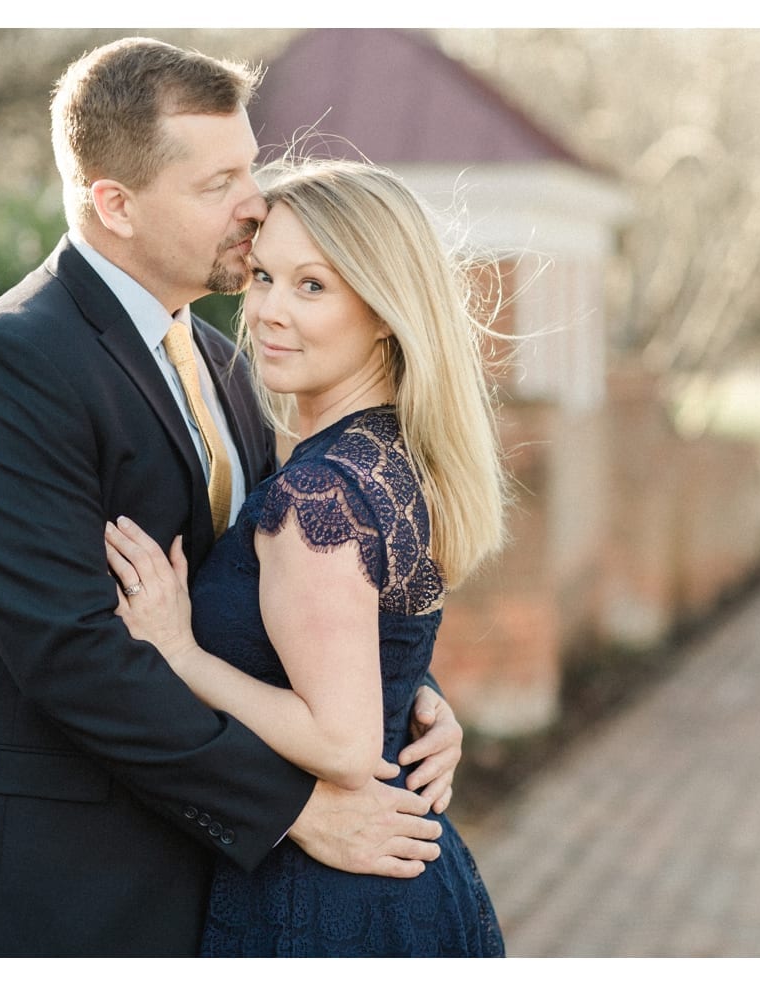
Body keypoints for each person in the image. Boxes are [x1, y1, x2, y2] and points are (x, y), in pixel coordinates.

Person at [0, 37, 465, 958]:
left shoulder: (228, 367)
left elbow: (269, 590)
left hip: (198, 884)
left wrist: (398, 690)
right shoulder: (10, 369)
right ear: (113, 203)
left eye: (251, 167)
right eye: (217, 183)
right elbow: (73, 654)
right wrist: (296, 807)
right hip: (51, 891)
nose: (254, 203)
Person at [103, 157, 510, 956]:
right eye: (261, 277)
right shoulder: (393, 459)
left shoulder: (319, 494)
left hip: (328, 901)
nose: (268, 312)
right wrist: (414, 696)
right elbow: (370, 649)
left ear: (385, 310)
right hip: (401, 882)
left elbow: (344, 744)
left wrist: (179, 653)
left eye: (313, 286)